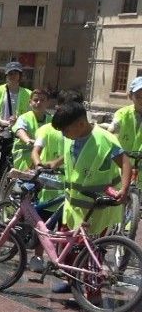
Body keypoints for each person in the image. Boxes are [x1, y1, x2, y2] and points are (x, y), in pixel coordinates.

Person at [52, 99, 131, 239]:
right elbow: (71, 156)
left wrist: (124, 190)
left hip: (96, 211)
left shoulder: (105, 139)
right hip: (72, 210)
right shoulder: (72, 136)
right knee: (66, 253)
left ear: (81, 124)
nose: (64, 134)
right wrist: (53, 163)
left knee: (88, 255)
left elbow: (125, 162)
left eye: (65, 130)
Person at [0, 61, 31, 190]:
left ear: (20, 75)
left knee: (6, 163)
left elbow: (29, 117)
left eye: (15, 73)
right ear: (6, 75)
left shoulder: (27, 94)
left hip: (13, 134)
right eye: (10, 73)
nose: (12, 76)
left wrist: (18, 120)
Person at [107, 77, 142, 159]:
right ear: (130, 96)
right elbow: (112, 130)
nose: (141, 100)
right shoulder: (122, 114)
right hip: (122, 165)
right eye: (138, 96)